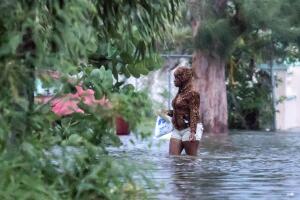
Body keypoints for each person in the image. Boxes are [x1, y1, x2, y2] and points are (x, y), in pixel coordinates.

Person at [165, 67, 201, 156]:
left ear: (183, 79)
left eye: (177, 78)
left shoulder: (193, 93)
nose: (174, 80)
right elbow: (180, 112)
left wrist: (193, 132)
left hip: (189, 129)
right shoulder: (180, 93)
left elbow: (194, 112)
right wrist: (166, 112)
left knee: (191, 161)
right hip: (177, 129)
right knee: (173, 159)